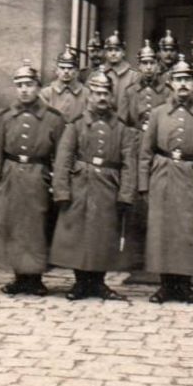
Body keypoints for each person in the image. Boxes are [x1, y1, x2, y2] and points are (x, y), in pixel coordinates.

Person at [139, 58, 193, 304]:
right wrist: (143, 185)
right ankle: (165, 286)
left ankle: (184, 285)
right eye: (178, 80)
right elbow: (146, 152)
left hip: (192, 177)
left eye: (187, 79)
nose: (183, 84)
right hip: (162, 175)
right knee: (163, 231)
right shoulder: (157, 114)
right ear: (170, 83)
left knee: (188, 231)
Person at [50, 70, 138, 301]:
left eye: (105, 93)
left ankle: (98, 283)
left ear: (111, 96)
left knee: (102, 234)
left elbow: (129, 162)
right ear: (89, 95)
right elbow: (64, 159)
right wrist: (61, 190)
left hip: (108, 186)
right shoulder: (76, 125)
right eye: (97, 93)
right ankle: (80, 283)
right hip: (80, 185)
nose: (101, 97)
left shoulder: (121, 127)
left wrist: (126, 193)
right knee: (79, 235)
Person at [0, 60, 66, 296]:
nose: (24, 89)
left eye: (29, 84)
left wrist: (57, 184)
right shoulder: (5, 117)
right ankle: (19, 277)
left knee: (36, 228)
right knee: (13, 226)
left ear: (38, 87)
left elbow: (62, 155)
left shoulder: (54, 118)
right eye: (19, 84)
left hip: (38, 177)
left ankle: (35, 278)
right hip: (11, 176)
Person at [115, 41, 167, 268]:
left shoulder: (167, 91)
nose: (148, 67)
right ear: (139, 65)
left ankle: (157, 254)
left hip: (159, 151)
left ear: (158, 65)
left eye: (152, 62)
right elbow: (122, 124)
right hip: (136, 150)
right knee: (136, 200)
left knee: (158, 198)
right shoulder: (130, 92)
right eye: (144, 63)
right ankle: (134, 255)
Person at [39, 44, 87, 123]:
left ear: (76, 71)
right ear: (57, 70)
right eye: (62, 68)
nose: (66, 71)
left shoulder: (86, 93)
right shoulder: (46, 93)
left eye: (70, 68)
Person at [102, 31, 138, 98]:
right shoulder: (97, 73)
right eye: (110, 50)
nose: (113, 53)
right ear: (105, 53)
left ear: (123, 52)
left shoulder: (133, 76)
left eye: (117, 50)